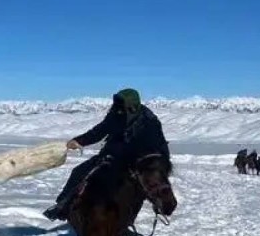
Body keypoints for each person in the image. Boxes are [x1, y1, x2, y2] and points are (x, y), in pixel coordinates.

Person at [43, 88, 169, 221]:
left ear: (132, 105)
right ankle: (62, 206)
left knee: (140, 188)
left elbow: (159, 145)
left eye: (122, 104)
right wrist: (79, 141)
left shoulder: (149, 121)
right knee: (79, 172)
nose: (118, 107)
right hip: (110, 155)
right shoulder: (115, 114)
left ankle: (127, 221)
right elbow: (100, 131)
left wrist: (162, 165)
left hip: (135, 161)